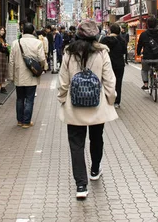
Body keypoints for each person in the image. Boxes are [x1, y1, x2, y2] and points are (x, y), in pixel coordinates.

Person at [58, 19, 118, 199]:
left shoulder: (69, 53)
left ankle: (81, 185)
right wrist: (110, 98)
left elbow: (63, 80)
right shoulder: (102, 53)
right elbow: (109, 79)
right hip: (96, 104)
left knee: (76, 144)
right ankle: (94, 170)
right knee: (96, 138)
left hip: (74, 105)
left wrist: (62, 98)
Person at [8, 23, 46, 128]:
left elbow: (11, 61)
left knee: (19, 98)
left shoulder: (16, 43)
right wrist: (43, 68)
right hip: (31, 74)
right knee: (29, 99)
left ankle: (20, 120)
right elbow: (42, 59)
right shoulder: (38, 43)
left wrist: (11, 76)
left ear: (23, 31)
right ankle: (26, 121)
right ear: (33, 31)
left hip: (19, 75)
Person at [100, 23, 126, 108]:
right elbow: (124, 52)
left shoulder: (104, 40)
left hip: (107, 64)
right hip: (119, 64)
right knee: (118, 82)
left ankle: (107, 99)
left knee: (106, 81)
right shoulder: (122, 40)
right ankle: (117, 102)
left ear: (110, 30)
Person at [137, 17, 158, 91]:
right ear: (156, 24)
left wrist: (138, 53)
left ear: (147, 25)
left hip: (146, 58)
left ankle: (146, 84)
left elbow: (139, 45)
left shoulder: (143, 34)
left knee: (144, 70)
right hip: (157, 58)